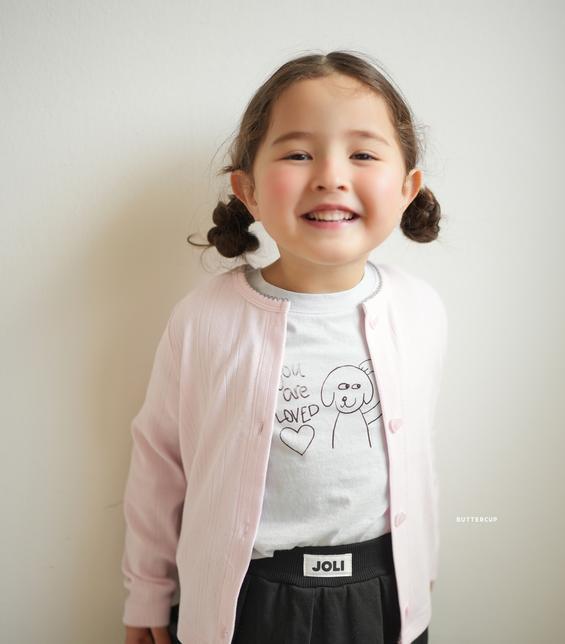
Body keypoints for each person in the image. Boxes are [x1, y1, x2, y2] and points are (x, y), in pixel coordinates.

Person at [122, 50, 448, 644]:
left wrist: (418, 572)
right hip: (246, 601)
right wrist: (148, 591)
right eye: (298, 154)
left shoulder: (420, 310)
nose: (331, 176)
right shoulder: (205, 319)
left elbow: (417, 459)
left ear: (407, 188)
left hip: (384, 594)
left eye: (363, 154)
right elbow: (159, 463)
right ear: (247, 189)